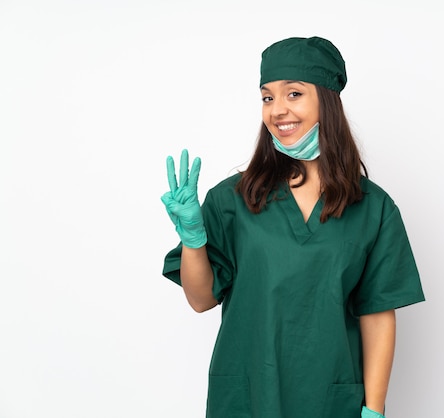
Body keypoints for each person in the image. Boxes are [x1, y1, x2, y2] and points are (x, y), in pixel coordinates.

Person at [160, 36, 425, 418]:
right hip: (247, 396)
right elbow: (201, 299)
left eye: (294, 94)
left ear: (327, 100)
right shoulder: (233, 198)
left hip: (329, 399)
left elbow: (378, 313)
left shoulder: (372, 207)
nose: (277, 110)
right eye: (268, 98)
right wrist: (193, 239)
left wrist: (374, 409)